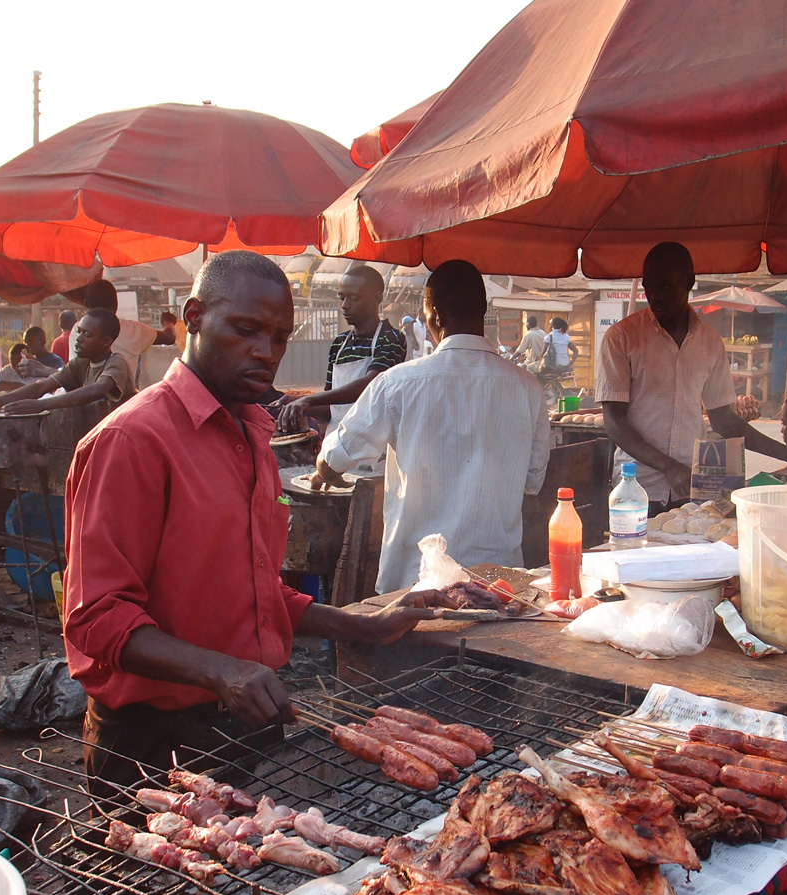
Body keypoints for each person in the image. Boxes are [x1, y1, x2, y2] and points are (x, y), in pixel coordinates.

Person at [60, 251, 443, 788]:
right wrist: (222, 671)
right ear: (193, 318)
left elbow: (254, 591)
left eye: (281, 337)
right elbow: (95, 617)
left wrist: (360, 625)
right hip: (154, 740)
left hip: (249, 723)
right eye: (246, 330)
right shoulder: (131, 440)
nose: (266, 353)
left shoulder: (253, 436)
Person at [310, 259, 551, 592]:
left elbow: (334, 457)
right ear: (482, 311)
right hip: (499, 584)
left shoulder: (396, 383)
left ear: (436, 316)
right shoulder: (529, 389)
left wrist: (324, 473)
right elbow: (532, 480)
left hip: (415, 586)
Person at [597, 241, 787, 513]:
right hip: (637, 489)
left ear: (689, 281)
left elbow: (726, 420)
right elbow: (613, 421)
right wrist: (669, 467)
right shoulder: (622, 337)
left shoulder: (709, 341)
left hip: (694, 487)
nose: (655, 296)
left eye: (666, 287)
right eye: (649, 288)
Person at [275, 265, 406, 433]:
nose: (345, 305)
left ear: (377, 298)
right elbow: (331, 410)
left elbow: (370, 386)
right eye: (342, 298)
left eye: (354, 298)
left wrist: (308, 400)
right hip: (338, 445)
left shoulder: (391, 338)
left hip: (376, 449)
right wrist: (296, 405)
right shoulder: (339, 344)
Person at [0, 309, 133, 418]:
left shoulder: (116, 362)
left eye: (87, 334)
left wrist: (41, 405)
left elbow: (98, 389)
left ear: (106, 341)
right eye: (79, 332)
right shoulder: (80, 363)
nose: (79, 339)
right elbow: (42, 387)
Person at [72, 280, 176, 378]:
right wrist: (168, 321)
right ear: (116, 304)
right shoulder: (133, 330)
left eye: (87, 334)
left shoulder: (76, 330)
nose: (80, 338)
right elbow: (169, 337)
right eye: (82, 333)